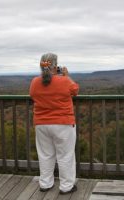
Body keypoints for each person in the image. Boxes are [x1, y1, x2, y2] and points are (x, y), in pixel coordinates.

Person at [29, 53, 79, 194]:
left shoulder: (34, 82)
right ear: (55, 66)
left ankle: (45, 184)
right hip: (63, 123)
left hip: (41, 124)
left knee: (45, 155)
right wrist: (66, 76)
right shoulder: (64, 81)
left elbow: (33, 95)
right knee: (65, 155)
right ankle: (66, 186)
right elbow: (76, 90)